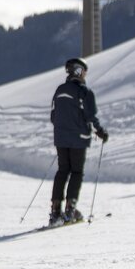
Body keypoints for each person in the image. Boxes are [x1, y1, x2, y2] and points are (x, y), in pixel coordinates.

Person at [49, 57, 109, 226]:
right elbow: (91, 116)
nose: (84, 75)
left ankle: (55, 212)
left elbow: (53, 116)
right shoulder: (84, 92)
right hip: (79, 139)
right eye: (84, 71)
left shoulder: (59, 90)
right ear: (79, 71)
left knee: (62, 171)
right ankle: (70, 211)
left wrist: (64, 128)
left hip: (61, 138)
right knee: (76, 172)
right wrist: (100, 131)